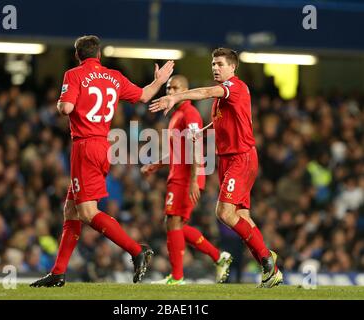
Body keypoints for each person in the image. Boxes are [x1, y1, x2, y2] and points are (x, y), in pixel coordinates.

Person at [30, 35, 174, 287]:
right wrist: (158, 81)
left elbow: (65, 108)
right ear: (99, 55)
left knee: (87, 212)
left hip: (84, 146)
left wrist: (61, 102)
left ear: (77, 55)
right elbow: (143, 96)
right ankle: (58, 272)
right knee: (71, 210)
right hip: (103, 145)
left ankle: (136, 250)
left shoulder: (73, 75)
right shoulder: (114, 76)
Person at [149, 48, 283, 288]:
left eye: (220, 64)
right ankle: (270, 267)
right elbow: (222, 122)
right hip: (229, 159)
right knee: (241, 216)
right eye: (213, 64)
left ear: (233, 67)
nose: (215, 68)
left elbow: (206, 91)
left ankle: (265, 259)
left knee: (223, 213)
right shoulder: (224, 98)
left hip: (240, 158)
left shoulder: (235, 87)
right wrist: (203, 132)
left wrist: (176, 97)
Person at [141, 75, 232, 285]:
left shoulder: (189, 113)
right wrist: (156, 164)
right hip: (180, 175)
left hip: (186, 177)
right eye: (168, 88)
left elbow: (196, 145)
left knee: (173, 222)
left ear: (185, 89)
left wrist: (193, 180)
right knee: (176, 224)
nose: (170, 92)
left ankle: (178, 277)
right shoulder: (177, 115)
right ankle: (218, 257)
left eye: (175, 88)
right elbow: (179, 151)